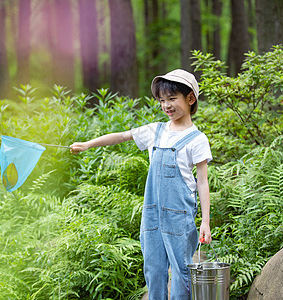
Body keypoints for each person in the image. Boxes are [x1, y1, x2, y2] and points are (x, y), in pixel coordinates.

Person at [70, 69, 212, 300]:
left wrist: (205, 221)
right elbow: (121, 136)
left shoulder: (197, 139)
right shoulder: (155, 131)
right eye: (162, 100)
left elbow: (203, 182)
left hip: (179, 216)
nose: (166, 105)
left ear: (190, 98)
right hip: (152, 214)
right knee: (153, 270)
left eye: (172, 98)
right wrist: (88, 144)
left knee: (181, 271)